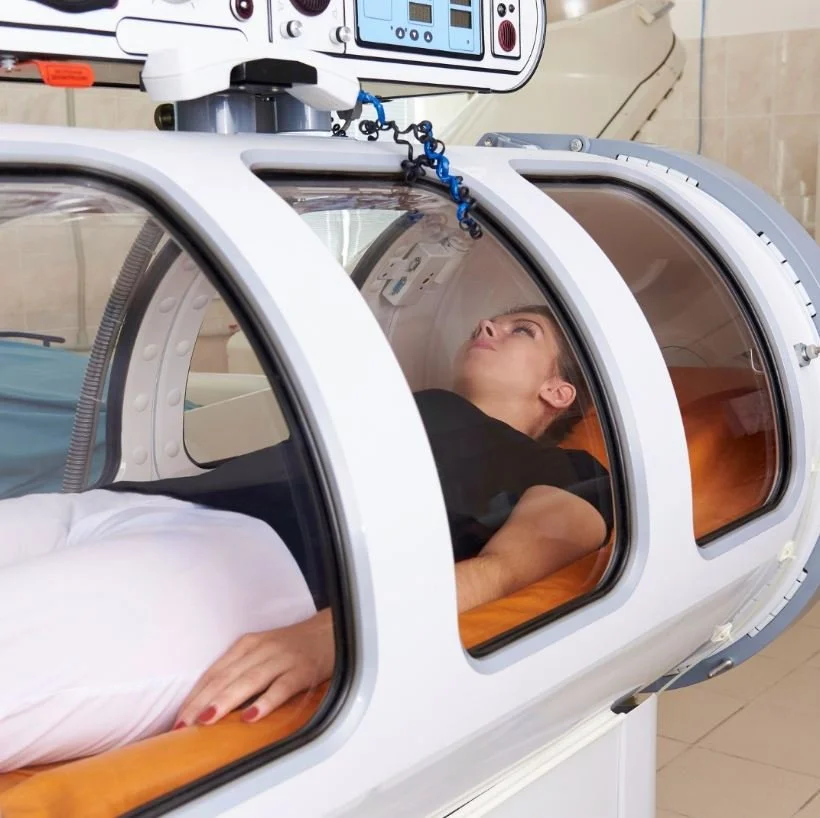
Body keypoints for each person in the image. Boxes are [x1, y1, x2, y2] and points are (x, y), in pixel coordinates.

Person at [0, 305, 611, 770]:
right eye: (497, 318)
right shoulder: (408, 403)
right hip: (131, 506)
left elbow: (509, 570)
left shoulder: (567, 475)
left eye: (522, 331)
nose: (490, 323)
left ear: (557, 394)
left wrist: (333, 635)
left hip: (241, 565)